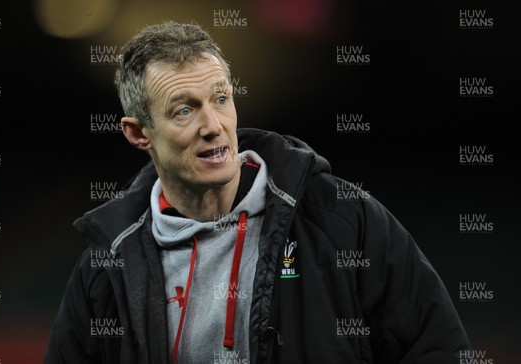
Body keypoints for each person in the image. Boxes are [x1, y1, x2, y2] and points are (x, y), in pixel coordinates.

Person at [44, 20, 471, 363]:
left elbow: (439, 347)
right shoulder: (105, 267)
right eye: (184, 109)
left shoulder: (341, 218)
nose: (213, 125)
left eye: (221, 98)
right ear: (138, 133)